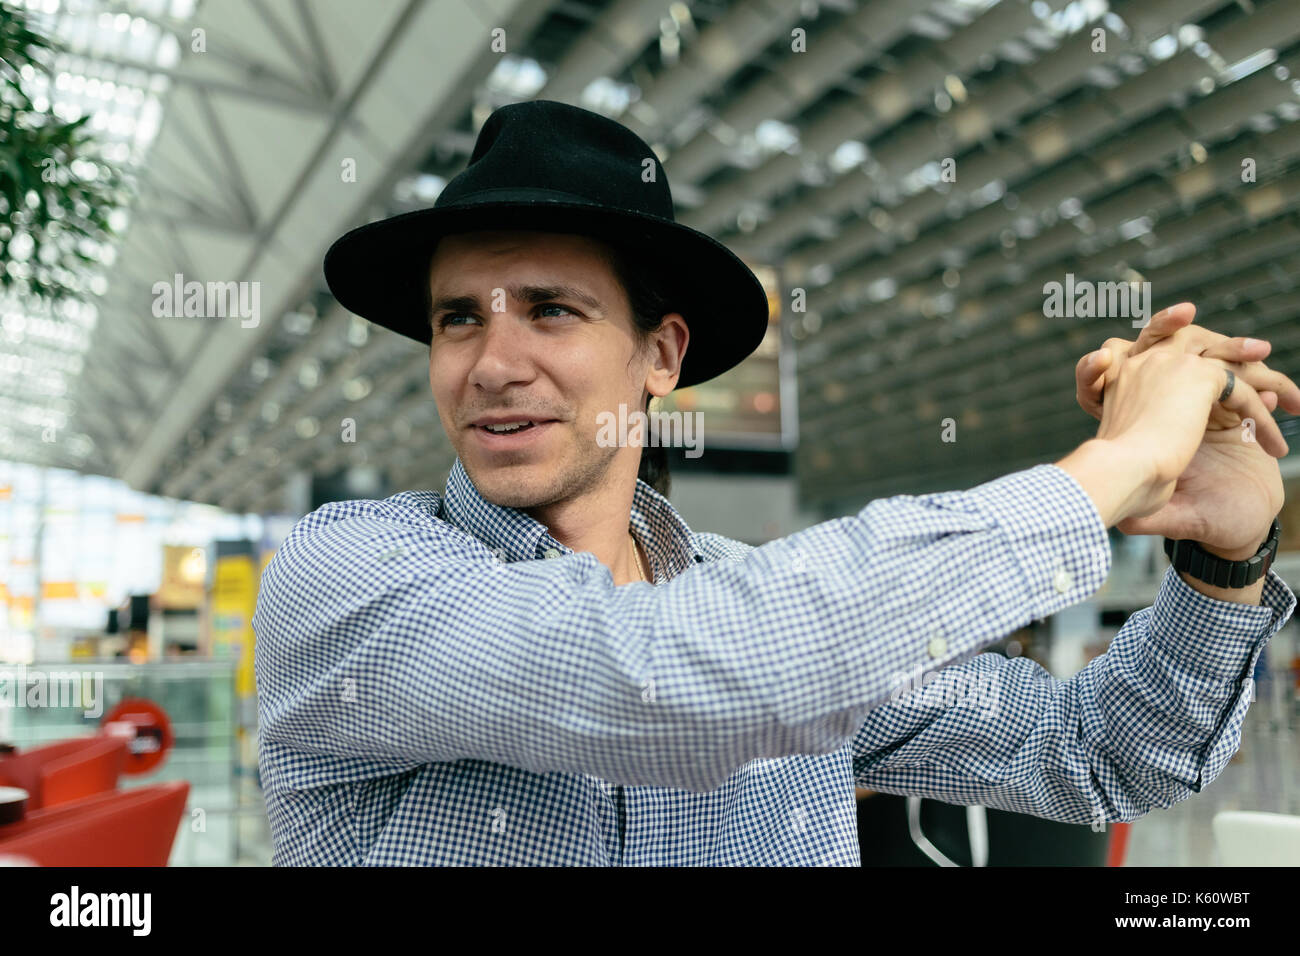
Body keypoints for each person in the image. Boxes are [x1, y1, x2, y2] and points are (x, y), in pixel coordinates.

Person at [252, 100, 1299, 866]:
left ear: (660, 356)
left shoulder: (773, 602)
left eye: (551, 309)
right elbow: (667, 677)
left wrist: (1222, 559)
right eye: (458, 317)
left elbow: (1094, 752)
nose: (490, 360)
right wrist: (1111, 468)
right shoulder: (356, 576)